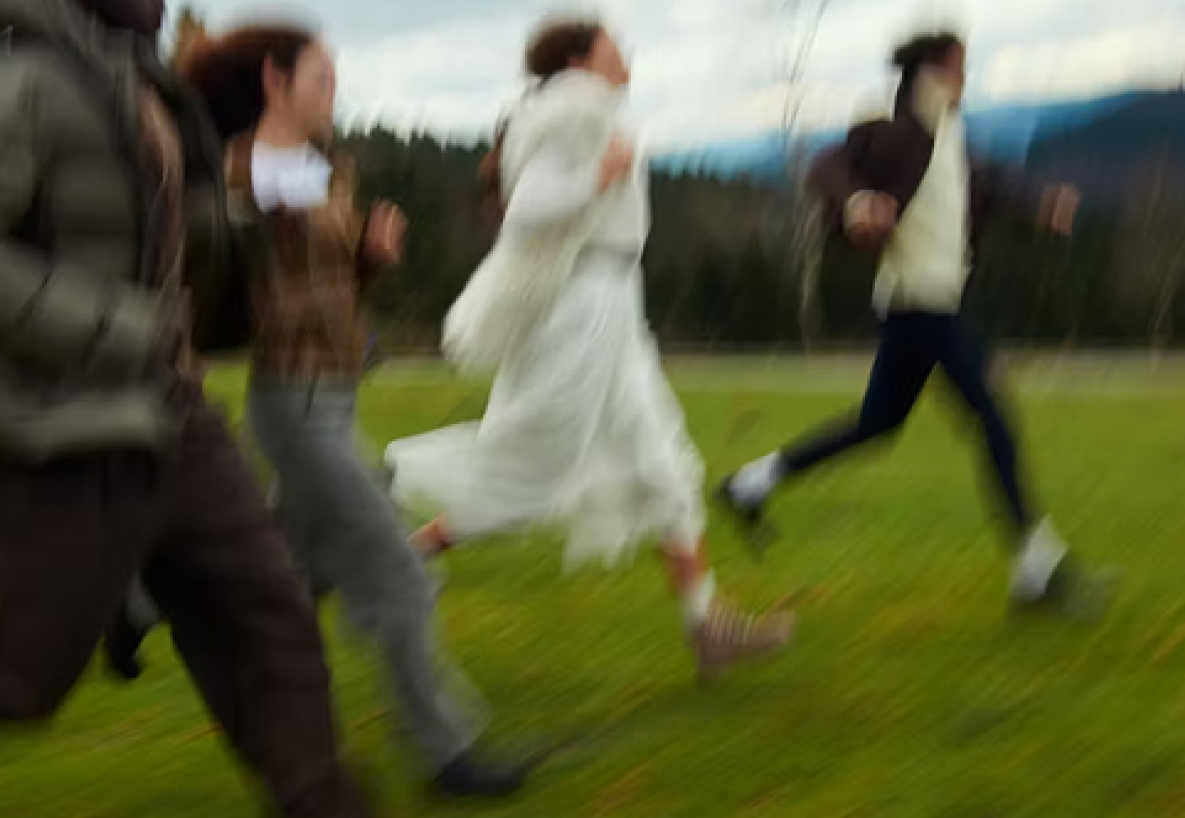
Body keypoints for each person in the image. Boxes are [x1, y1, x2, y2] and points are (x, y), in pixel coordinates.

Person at [0, 0, 371, 818]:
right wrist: (117, 326)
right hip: (71, 429)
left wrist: (235, 239)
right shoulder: (14, 81)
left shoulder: (140, 83)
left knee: (269, 612)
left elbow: (154, 240)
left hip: (173, 409)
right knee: (11, 676)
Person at [107, 22, 528, 797]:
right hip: (293, 405)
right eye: (322, 79)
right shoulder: (236, 175)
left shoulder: (319, 169)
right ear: (275, 82)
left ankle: (143, 598)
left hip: (333, 398)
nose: (335, 92)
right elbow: (208, 272)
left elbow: (323, 294)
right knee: (399, 576)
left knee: (291, 572)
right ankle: (447, 752)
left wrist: (367, 260)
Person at [384, 18, 795, 681]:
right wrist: (599, 176)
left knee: (662, 464)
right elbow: (526, 208)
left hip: (612, 307)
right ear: (579, 59)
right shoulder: (573, 111)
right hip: (581, 312)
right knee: (534, 461)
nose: (624, 52)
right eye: (611, 44)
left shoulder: (586, 109)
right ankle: (389, 540)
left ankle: (706, 622)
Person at [718, 32, 1097, 615]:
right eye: (960, 67)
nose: (967, 78)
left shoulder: (946, 135)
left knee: (879, 423)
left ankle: (752, 481)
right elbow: (829, 163)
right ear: (934, 71)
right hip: (919, 304)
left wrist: (1040, 206)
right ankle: (1034, 571)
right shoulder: (899, 131)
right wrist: (854, 205)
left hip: (926, 304)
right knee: (994, 421)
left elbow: (983, 185)